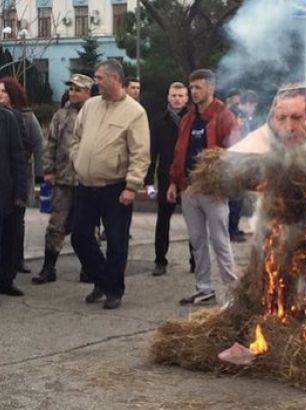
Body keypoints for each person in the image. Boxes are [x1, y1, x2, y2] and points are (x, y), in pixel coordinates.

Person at [69, 60, 150, 310]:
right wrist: (77, 158)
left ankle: (114, 290)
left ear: (115, 79)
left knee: (116, 241)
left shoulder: (134, 112)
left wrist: (132, 186)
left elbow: (140, 153)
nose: (96, 82)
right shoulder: (91, 106)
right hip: (85, 185)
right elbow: (76, 138)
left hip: (115, 188)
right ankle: (103, 279)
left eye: (100, 77)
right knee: (80, 237)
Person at [167, 69, 237, 305]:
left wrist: (224, 181)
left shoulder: (224, 117)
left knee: (220, 241)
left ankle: (232, 292)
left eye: (198, 87)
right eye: (191, 87)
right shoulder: (187, 119)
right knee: (197, 241)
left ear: (211, 88)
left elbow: (235, 153)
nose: (193, 92)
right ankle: (204, 288)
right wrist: (174, 182)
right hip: (189, 189)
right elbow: (179, 152)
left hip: (213, 190)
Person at [32, 74, 94, 285]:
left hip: (88, 180)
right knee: (56, 225)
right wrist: (48, 171)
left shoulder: (94, 114)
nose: (73, 93)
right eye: (71, 89)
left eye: (78, 89)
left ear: (88, 92)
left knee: (87, 227)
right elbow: (50, 144)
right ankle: (48, 268)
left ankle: (89, 267)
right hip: (64, 179)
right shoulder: (61, 115)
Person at [144, 82, 190, 276]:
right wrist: (148, 180)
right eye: (173, 95)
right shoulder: (158, 121)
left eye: (180, 96)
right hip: (165, 177)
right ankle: (160, 260)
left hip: (189, 177)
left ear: (186, 98)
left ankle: (196, 260)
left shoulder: (192, 119)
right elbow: (151, 152)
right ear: (168, 97)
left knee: (194, 222)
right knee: (163, 221)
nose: (177, 99)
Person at [0, 77, 44, 274]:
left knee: (17, 220)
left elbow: (38, 146)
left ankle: (16, 261)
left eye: (4, 91)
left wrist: (41, 177)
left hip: (20, 174)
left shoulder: (25, 117)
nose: (0, 94)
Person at [0, 105, 27, 296]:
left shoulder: (7, 119)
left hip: (5, 191)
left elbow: (18, 158)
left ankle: (5, 281)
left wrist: (20, 192)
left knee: (8, 240)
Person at [227, 90, 259, 243]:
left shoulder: (237, 113)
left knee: (237, 198)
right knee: (235, 198)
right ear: (249, 103)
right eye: (253, 105)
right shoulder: (237, 114)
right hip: (235, 161)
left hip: (239, 160)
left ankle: (233, 227)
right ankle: (231, 230)